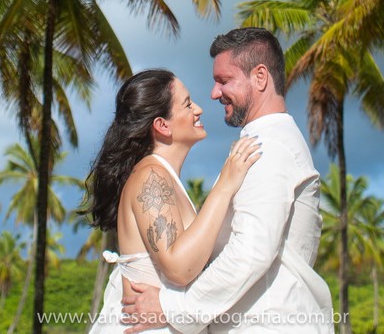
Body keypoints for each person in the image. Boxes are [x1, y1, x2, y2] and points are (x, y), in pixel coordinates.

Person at [122, 28, 334, 334]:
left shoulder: (268, 145)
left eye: (224, 80)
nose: (213, 94)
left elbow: (251, 251)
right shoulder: (256, 144)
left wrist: (170, 308)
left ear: (260, 77)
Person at [83, 68, 263, 334]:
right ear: (162, 125)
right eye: (188, 104)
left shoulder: (161, 177)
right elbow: (179, 268)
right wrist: (225, 185)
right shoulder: (150, 176)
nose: (199, 109)